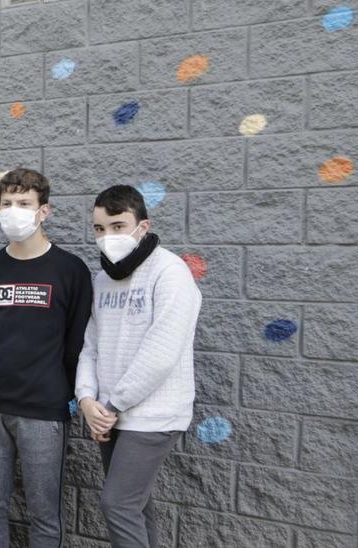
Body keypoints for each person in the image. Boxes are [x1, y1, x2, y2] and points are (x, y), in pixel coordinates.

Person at [0, 168, 93, 548]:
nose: (14, 210)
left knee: (44, 515)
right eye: (7, 203)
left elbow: (76, 343)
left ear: (45, 211)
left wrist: (66, 395)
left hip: (44, 408)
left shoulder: (70, 270)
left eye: (24, 203)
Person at [76, 185, 200, 548]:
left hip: (152, 416)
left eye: (117, 226)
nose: (107, 236)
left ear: (142, 227)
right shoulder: (103, 278)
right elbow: (91, 344)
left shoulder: (170, 272)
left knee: (117, 505)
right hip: (108, 414)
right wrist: (87, 400)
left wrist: (111, 406)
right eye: (99, 228)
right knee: (135, 507)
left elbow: (161, 352)